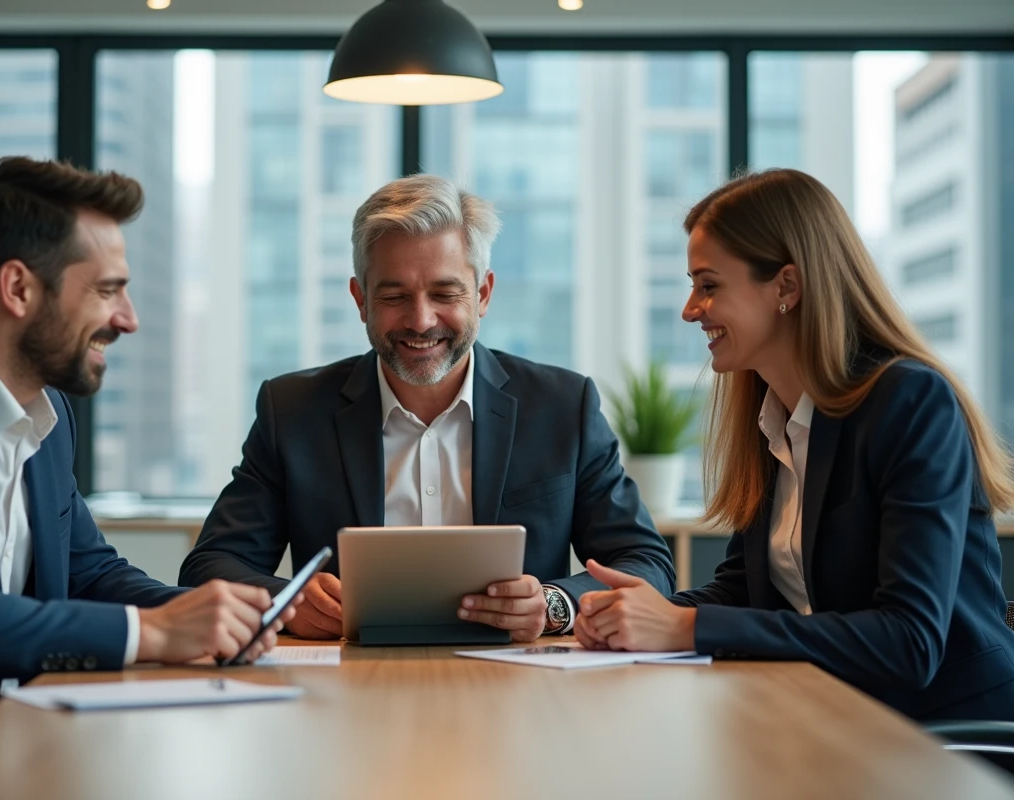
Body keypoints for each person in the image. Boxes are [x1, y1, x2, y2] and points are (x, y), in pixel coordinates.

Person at [0, 157, 295, 737]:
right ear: (18, 288)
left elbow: (87, 574)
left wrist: (207, 615)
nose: (128, 319)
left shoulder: (49, 414)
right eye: (107, 291)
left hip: (14, 733)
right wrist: (154, 632)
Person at [574, 168, 1014, 722]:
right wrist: (636, 613)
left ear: (786, 286)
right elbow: (744, 590)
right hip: (834, 713)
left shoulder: (908, 403)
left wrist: (684, 626)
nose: (690, 309)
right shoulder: (773, 416)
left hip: (948, 732)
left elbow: (909, 641)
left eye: (709, 286)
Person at [180, 174, 674, 643]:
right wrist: (287, 600)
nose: (420, 320)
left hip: (518, 683)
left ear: (482, 294)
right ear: (360, 300)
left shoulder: (562, 406)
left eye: (444, 293)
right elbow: (210, 565)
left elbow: (646, 563)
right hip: (348, 682)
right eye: (394, 295)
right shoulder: (291, 412)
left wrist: (553, 605)